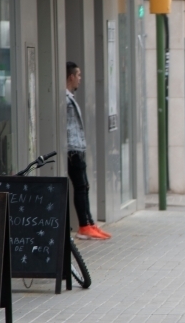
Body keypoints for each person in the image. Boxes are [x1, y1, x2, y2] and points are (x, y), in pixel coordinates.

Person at [66, 61, 111, 240]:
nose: (80, 79)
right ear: (71, 76)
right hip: (72, 149)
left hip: (77, 148)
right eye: (78, 75)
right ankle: (84, 225)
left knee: (84, 186)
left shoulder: (70, 98)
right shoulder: (65, 99)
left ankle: (90, 223)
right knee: (80, 186)